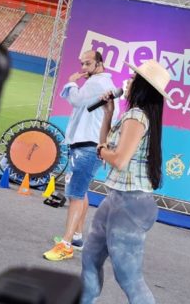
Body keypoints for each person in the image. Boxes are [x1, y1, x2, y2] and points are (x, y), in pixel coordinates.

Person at [81, 59, 171, 304]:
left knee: (128, 276)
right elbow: (106, 146)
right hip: (117, 198)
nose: (127, 82)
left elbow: (119, 159)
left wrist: (101, 151)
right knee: (90, 255)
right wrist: (108, 114)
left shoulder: (136, 116)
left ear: (142, 86)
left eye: (132, 79)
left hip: (131, 204)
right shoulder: (133, 115)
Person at [43, 50, 118, 261]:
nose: (83, 68)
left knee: (75, 195)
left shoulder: (97, 83)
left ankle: (66, 244)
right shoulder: (102, 82)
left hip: (88, 146)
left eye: (87, 63)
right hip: (89, 145)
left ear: (99, 63)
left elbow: (75, 100)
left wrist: (71, 82)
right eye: (82, 63)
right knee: (80, 191)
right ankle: (76, 238)